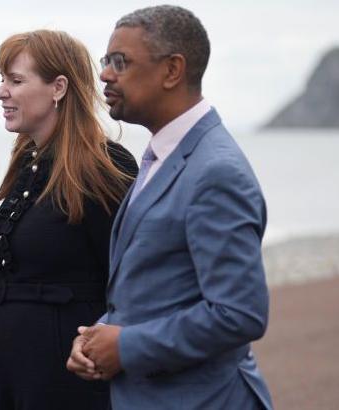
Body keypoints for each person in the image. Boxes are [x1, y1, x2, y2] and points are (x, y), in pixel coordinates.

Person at [66, 5, 274, 410]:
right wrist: (99, 335)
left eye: (120, 62)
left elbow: (240, 313)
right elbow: (157, 289)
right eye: (106, 61)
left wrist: (126, 346)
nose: (105, 74)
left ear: (172, 71)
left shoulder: (215, 171)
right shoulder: (163, 154)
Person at [0, 30, 137, 409]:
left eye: (15, 80)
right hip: (5, 373)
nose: (1, 93)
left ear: (58, 87)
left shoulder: (104, 167)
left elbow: (131, 280)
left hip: (64, 379)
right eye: (3, 80)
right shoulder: (27, 167)